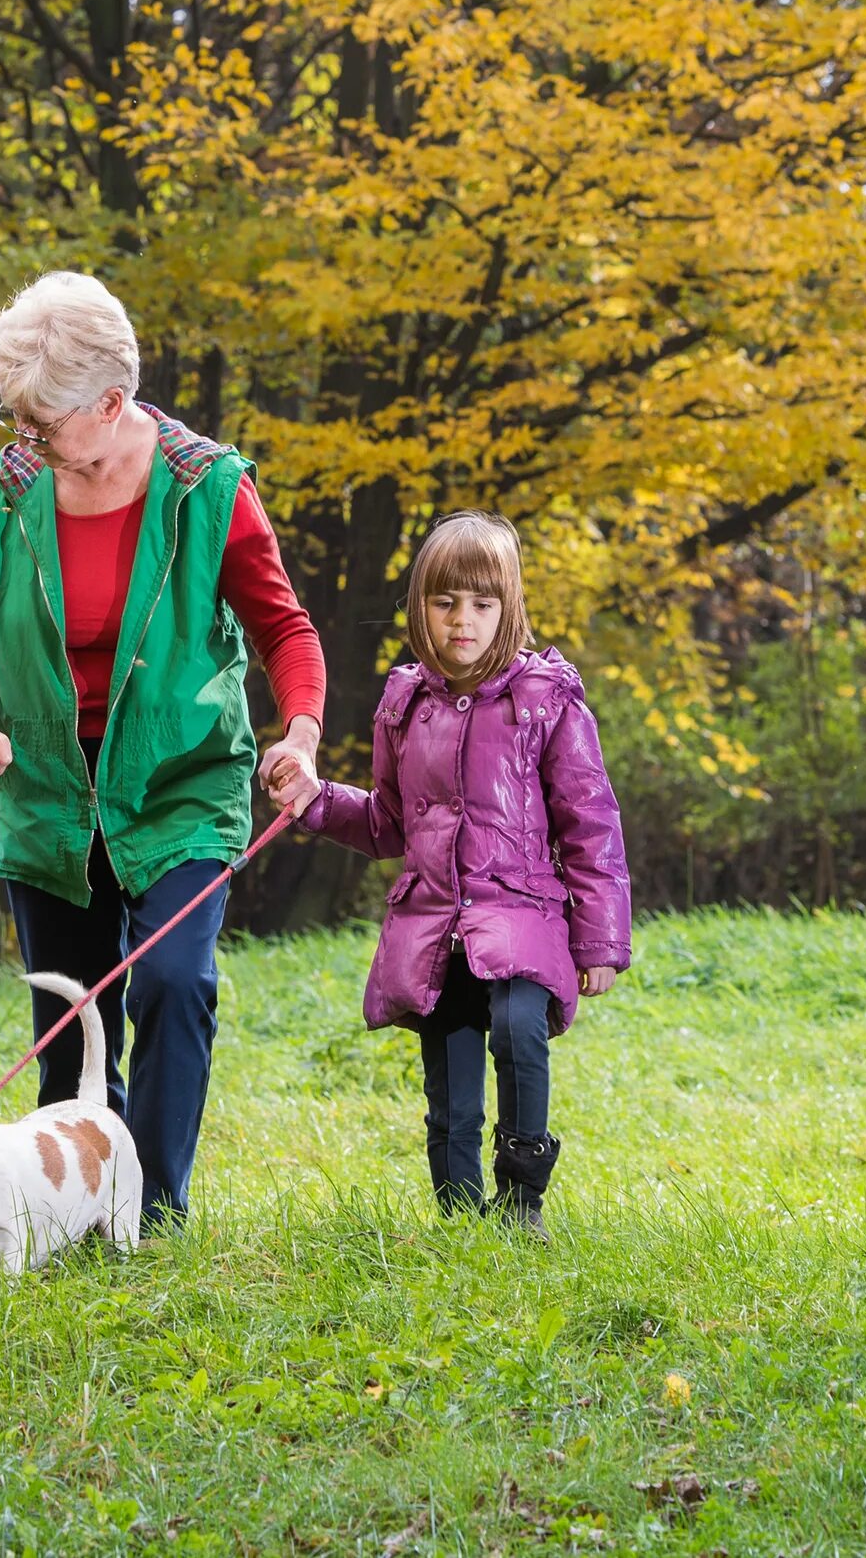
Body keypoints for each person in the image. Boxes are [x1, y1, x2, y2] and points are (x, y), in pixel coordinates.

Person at [0, 271, 327, 1229]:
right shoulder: (1, 497)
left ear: (111, 404)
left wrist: (303, 734)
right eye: (14, 418)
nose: (21, 439)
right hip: (51, 790)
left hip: (180, 779)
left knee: (173, 980)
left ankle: (151, 1214)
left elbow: (285, 631)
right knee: (71, 1021)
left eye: (40, 421)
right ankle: (65, 1218)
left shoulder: (208, 489)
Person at [272, 512, 630, 1235]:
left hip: (523, 917)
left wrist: (598, 943)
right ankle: (462, 1219)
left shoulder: (546, 701)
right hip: (436, 925)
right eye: (445, 602)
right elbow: (387, 823)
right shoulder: (406, 705)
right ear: (420, 607)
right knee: (452, 1086)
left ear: (508, 608)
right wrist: (316, 801)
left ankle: (523, 1196)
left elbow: (591, 826)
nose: (462, 620)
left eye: (482, 603)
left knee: (517, 1028)